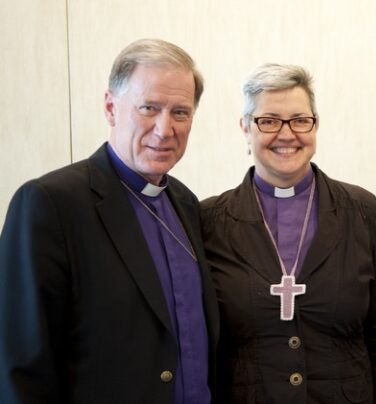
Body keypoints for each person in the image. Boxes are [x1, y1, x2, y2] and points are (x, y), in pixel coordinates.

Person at [0, 38, 219, 403]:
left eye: (180, 113)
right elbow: (19, 366)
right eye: (149, 108)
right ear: (110, 107)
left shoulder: (185, 202)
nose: (165, 130)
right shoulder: (50, 204)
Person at [200, 63, 376, 403]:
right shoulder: (210, 220)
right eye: (268, 121)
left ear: (315, 126)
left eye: (300, 120)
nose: (286, 134)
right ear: (245, 128)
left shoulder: (361, 209)